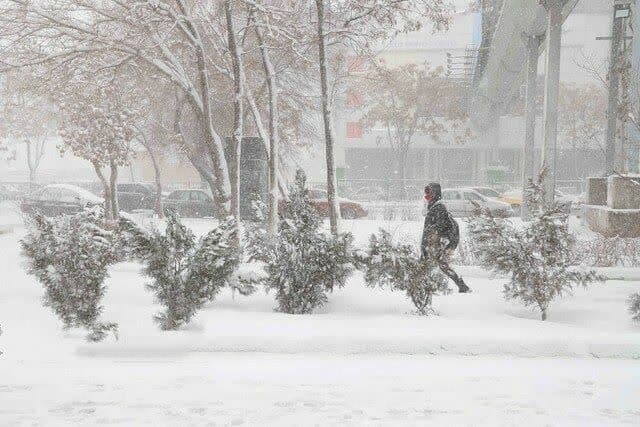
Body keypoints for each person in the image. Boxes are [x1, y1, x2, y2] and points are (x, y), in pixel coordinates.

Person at [421, 183, 471, 293]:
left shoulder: (439, 207)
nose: (426, 195)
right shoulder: (435, 206)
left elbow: (438, 227)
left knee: (440, 263)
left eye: (429, 192)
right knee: (438, 263)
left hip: (444, 242)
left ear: (435, 193)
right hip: (442, 241)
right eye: (426, 192)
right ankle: (461, 286)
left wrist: (435, 245)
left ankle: (461, 286)